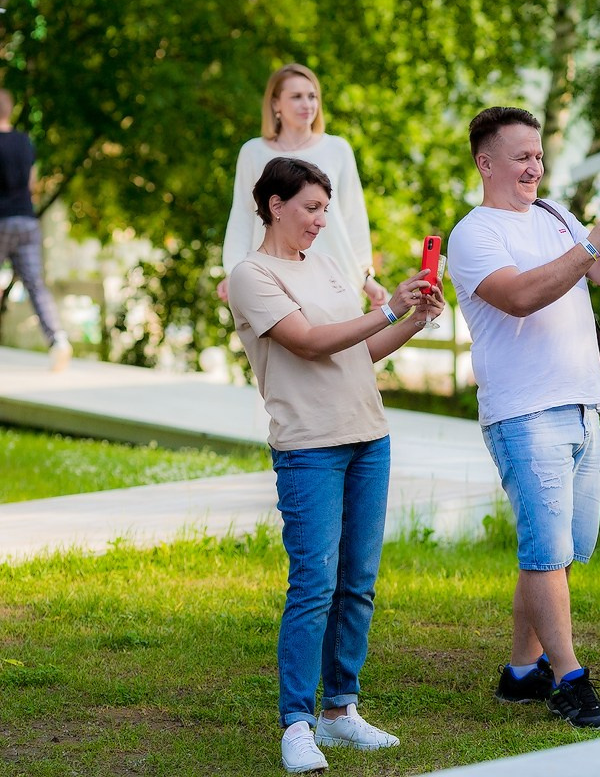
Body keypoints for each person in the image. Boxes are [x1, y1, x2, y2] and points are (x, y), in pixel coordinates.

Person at [227, 157, 444, 773]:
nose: (322, 221)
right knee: (313, 586)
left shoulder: (324, 265)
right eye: (312, 208)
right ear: (275, 205)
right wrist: (391, 308)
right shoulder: (251, 274)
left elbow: (360, 351)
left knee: (358, 583)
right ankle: (297, 723)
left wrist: (415, 318)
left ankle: (340, 712)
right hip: (308, 446)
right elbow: (309, 342)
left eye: (326, 209)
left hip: (368, 437)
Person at [446, 106, 600, 729]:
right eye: (521, 157)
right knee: (544, 552)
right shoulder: (475, 233)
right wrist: (590, 242)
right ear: (487, 163)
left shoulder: (556, 215)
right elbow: (520, 295)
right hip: (523, 412)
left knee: (557, 552)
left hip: (583, 405)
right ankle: (569, 679)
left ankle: (519, 673)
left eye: (538, 155)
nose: (534, 166)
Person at [219, 63, 387, 309]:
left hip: (336, 279)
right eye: (296, 97)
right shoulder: (253, 152)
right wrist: (234, 271)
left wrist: (365, 278)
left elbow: (354, 218)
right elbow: (243, 215)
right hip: (271, 277)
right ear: (276, 104)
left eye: (312, 96)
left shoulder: (337, 149)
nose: (307, 104)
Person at [0, 88, 71, 371]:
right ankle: (59, 340)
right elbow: (32, 184)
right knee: (36, 286)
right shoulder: (24, 142)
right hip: (27, 221)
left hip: (1, 220)